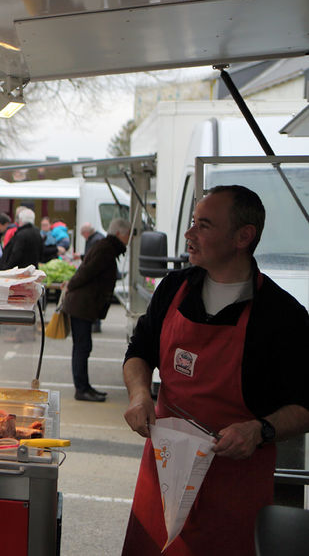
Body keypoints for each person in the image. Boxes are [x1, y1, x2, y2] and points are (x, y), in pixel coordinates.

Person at [120, 185, 309, 555]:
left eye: (203, 225)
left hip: (234, 482)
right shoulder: (173, 289)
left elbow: (306, 406)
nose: (189, 234)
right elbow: (138, 352)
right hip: (164, 471)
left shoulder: (282, 315)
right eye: (192, 223)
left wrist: (260, 429)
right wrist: (140, 394)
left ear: (243, 236)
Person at [59, 218, 131, 402]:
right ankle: (81, 389)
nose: (129, 238)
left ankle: (85, 387)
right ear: (119, 234)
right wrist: (70, 286)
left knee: (83, 347)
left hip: (84, 305)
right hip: (81, 305)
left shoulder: (106, 247)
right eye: (127, 234)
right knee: (82, 347)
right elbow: (86, 272)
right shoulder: (106, 248)